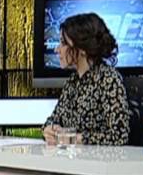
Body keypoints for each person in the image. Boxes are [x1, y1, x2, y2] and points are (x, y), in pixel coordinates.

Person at [42, 13, 130, 146]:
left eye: (63, 43)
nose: (57, 49)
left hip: (98, 158)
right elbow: (55, 118)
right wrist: (49, 129)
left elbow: (119, 135)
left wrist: (76, 139)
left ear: (82, 49)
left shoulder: (108, 80)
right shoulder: (73, 81)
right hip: (71, 156)